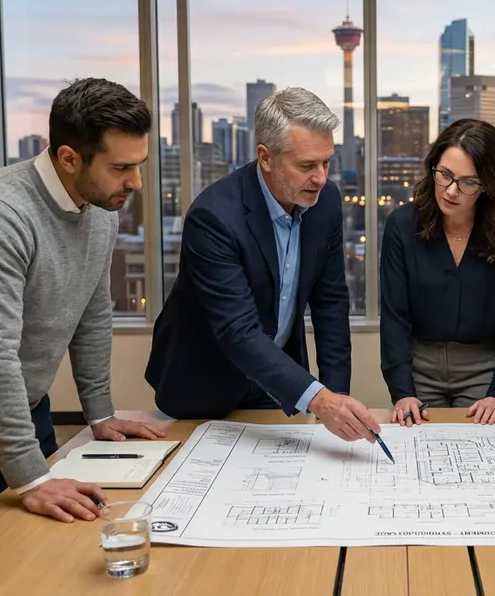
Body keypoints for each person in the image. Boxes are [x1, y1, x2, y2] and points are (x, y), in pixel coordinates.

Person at [0, 78, 168, 543]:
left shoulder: (101, 206)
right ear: (68, 158)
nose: (135, 183)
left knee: (47, 541)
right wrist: (32, 478)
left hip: (23, 404)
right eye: (121, 167)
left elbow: (93, 312)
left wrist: (99, 413)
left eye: (139, 166)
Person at [145, 87, 379, 443]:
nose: (320, 177)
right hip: (205, 380)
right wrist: (320, 400)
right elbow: (237, 330)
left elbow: (330, 301)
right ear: (265, 157)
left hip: (280, 382)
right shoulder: (214, 216)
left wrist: (336, 395)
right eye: (306, 165)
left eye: (326, 162)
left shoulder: (325, 200)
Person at [380, 119, 495, 426]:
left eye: (467, 182)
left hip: (484, 370)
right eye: (445, 175)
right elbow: (394, 317)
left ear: (488, 183)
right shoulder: (402, 224)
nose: (450, 190)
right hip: (418, 368)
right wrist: (401, 392)